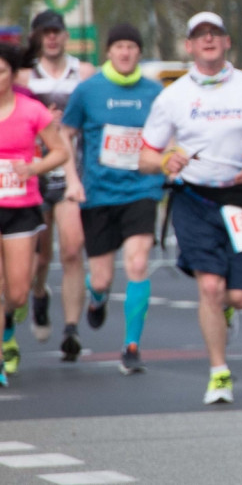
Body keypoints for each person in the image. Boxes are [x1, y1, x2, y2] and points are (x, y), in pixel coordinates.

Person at [139, 11, 242, 404]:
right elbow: (145, 156)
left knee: (238, 297)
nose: (208, 40)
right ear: (189, 46)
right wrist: (165, 162)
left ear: (226, 42)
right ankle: (219, 372)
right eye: (199, 35)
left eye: (215, 33)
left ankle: (227, 312)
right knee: (210, 286)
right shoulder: (172, 96)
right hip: (195, 199)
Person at [61, 24, 165, 374]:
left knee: (137, 264)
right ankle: (98, 297)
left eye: (131, 47)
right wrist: (72, 180)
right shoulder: (88, 91)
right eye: (118, 46)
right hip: (99, 194)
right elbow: (65, 133)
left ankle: (131, 346)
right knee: (102, 277)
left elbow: (171, 132)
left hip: (141, 190)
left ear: (139, 52)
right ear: (108, 51)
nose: (124, 53)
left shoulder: (154, 92)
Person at [22, 9, 95, 360]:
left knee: (71, 249)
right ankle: (38, 293)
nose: (52, 38)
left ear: (65, 36)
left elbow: (94, 120)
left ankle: (70, 330)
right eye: (45, 32)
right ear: (36, 38)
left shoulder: (83, 73)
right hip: (33, 174)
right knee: (38, 257)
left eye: (57, 31)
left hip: (69, 172)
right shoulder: (23, 75)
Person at [0, 41, 69, 386]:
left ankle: (12, 317)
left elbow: (60, 152)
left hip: (21, 208)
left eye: (0, 71)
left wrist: (33, 168)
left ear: (11, 75)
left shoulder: (31, 111)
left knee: (16, 291)